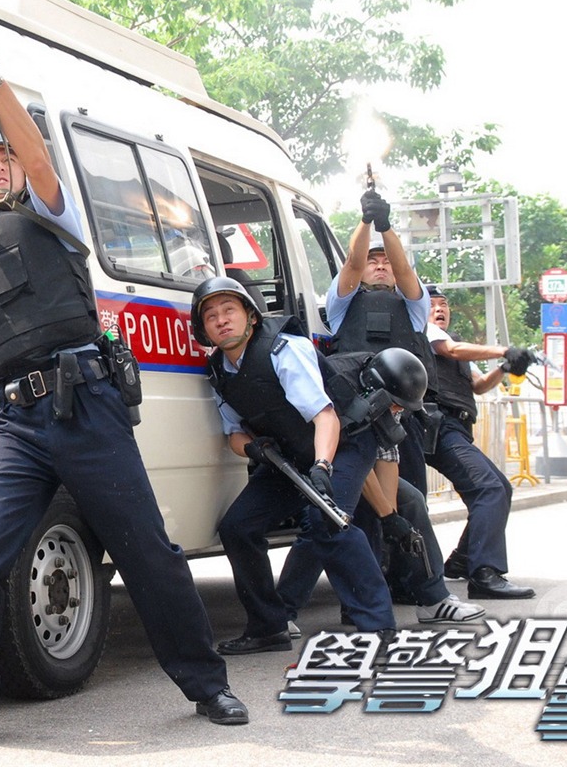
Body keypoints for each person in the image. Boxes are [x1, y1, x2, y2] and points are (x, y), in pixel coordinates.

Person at [0, 21, 247, 753]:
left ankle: (207, 684)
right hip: (16, 422)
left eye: (1, 155)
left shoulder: (53, 213)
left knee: (149, 553)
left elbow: (38, 158)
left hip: (87, 403)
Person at [194, 276, 396, 655]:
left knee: (327, 519)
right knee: (238, 527)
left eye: (229, 310)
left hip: (345, 442)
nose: (221, 320)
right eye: (211, 316)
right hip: (287, 455)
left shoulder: (283, 348)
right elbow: (233, 435)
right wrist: (254, 449)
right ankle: (269, 626)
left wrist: (322, 467)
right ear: (203, 329)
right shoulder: (220, 370)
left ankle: (378, 627)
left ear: (251, 317)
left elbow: (325, 417)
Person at [274, 349, 486, 627]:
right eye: (396, 405)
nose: (397, 411)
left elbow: (385, 459)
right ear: (373, 386)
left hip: (353, 463)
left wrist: (394, 520)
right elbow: (356, 471)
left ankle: (433, 599)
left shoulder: (390, 396)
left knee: (411, 500)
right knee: (327, 516)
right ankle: (281, 613)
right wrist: (386, 515)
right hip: (314, 461)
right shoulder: (341, 390)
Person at [425, 285, 536, 599]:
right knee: (488, 488)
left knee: (501, 486)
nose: (440, 309)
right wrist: (503, 350)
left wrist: (504, 368)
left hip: (457, 427)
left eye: (444, 304)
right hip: (438, 425)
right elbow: (452, 351)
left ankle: (462, 559)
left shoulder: (454, 342)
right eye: (432, 304)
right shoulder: (426, 332)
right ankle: (485, 574)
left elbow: (479, 385)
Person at [327, 189, 434, 496]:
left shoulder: (415, 305)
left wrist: (385, 227)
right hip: (352, 414)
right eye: (373, 261)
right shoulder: (342, 304)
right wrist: (365, 221)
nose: (381, 266)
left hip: (402, 416)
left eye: (386, 260)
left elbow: (403, 270)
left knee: (412, 501)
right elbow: (352, 264)